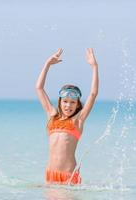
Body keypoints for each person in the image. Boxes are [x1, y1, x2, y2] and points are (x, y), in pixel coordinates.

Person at [35, 48, 99, 185]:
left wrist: (94, 67)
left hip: (68, 176)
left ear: (77, 105)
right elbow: (39, 88)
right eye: (65, 101)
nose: (68, 106)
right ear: (60, 102)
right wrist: (47, 64)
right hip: (51, 175)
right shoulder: (52, 115)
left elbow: (93, 94)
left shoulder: (78, 120)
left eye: (72, 103)